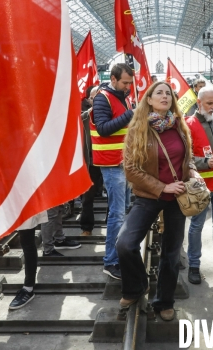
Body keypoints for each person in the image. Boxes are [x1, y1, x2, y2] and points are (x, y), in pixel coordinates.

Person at [116, 81, 200, 321]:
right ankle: (136, 287)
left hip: (178, 198)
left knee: (171, 254)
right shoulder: (138, 129)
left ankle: (164, 300)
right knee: (125, 243)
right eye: (159, 93)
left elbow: (188, 158)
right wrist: (162, 186)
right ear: (149, 100)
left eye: (169, 93)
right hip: (149, 196)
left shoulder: (180, 126)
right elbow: (130, 169)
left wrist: (192, 170)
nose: (165, 96)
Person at [91, 63, 134, 280]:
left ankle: (119, 255)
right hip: (111, 166)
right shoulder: (102, 98)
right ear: (114, 79)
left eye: (130, 83)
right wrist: (130, 115)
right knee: (116, 215)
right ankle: (111, 261)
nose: (128, 87)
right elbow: (103, 128)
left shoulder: (121, 97)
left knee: (122, 211)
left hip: (123, 165)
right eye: (125, 82)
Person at [185, 85, 213, 285]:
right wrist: (205, 162)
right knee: (197, 226)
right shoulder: (188, 124)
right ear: (199, 103)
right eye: (209, 103)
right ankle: (194, 266)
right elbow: (183, 158)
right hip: (199, 186)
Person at [9, 210, 48, 309]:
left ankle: (28, 287)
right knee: (26, 241)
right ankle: (28, 287)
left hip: (25, 200)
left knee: (27, 241)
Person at [80, 86, 102, 236]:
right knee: (88, 196)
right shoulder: (84, 118)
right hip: (91, 163)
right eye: (95, 98)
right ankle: (87, 227)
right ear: (89, 100)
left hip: (110, 162)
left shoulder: (114, 116)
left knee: (114, 197)